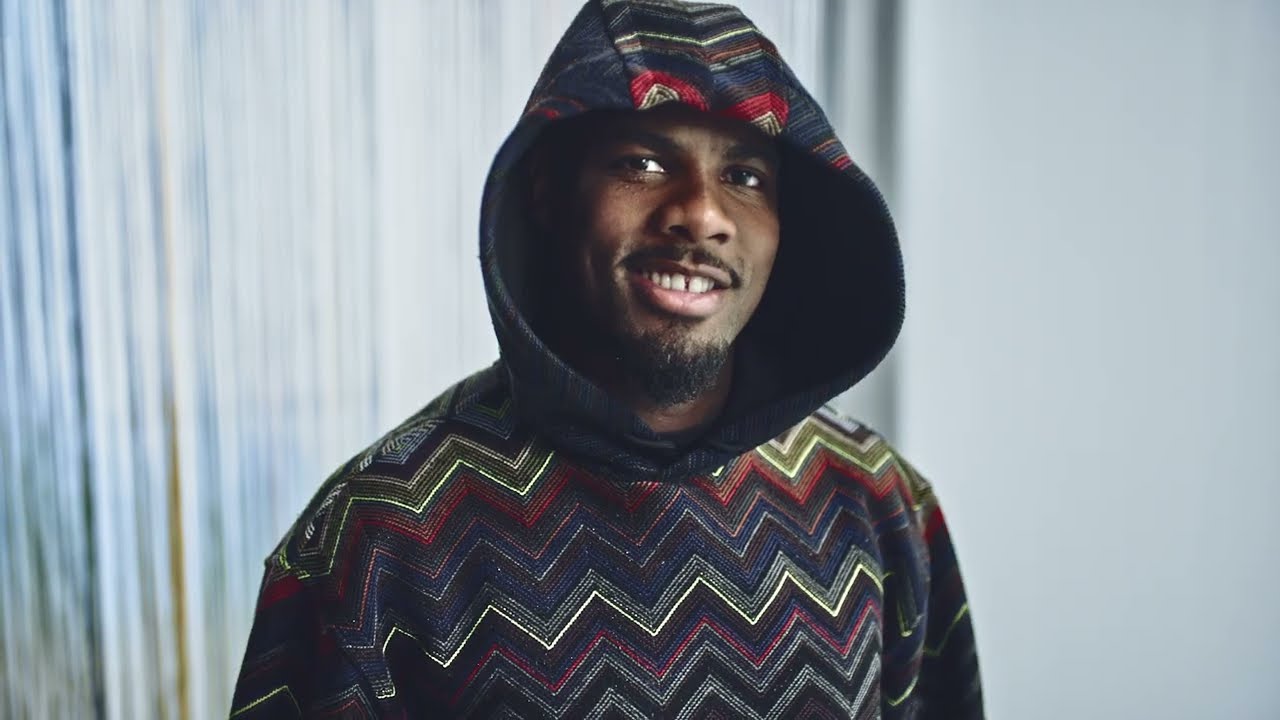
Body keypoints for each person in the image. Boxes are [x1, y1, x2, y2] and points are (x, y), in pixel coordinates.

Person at [230, 0, 983, 717]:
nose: (703, 213)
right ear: (547, 193)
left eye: (745, 176)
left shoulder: (879, 501)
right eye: (644, 162)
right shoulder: (377, 542)